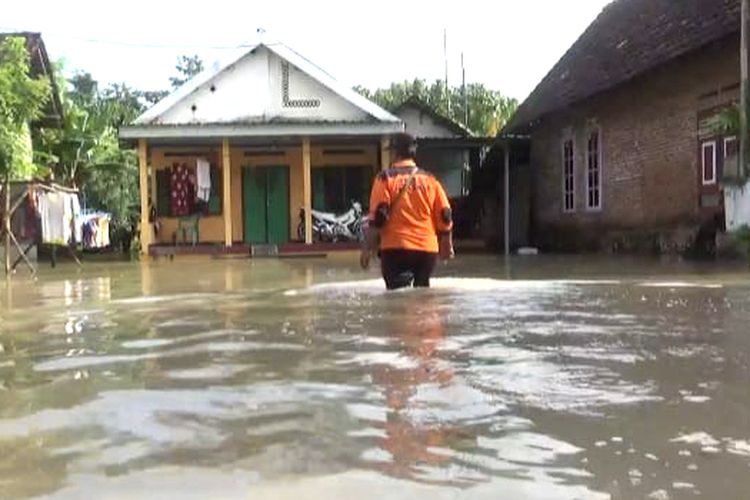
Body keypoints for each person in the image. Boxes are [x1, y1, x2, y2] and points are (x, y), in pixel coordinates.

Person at [360, 132, 454, 290]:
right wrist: (447, 244)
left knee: (397, 303)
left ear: (395, 153)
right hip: (426, 251)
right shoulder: (430, 180)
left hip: (396, 249)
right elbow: (445, 215)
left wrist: (367, 249)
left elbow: (379, 217)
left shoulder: (385, 178)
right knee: (422, 298)